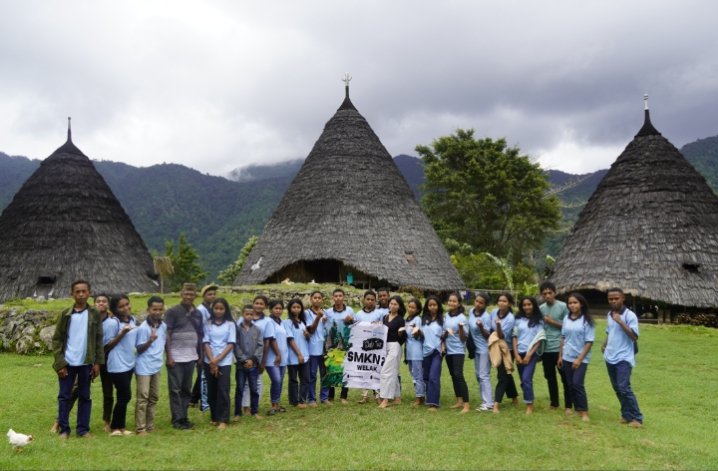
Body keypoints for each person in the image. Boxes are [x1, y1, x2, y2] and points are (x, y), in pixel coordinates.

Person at [50, 293, 112, 434]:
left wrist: (98, 362)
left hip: (97, 361)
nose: (101, 304)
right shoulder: (76, 316)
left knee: (98, 394)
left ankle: (99, 425)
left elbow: (101, 341)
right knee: (70, 393)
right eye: (98, 301)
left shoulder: (109, 320)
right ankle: (60, 424)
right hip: (77, 361)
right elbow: (59, 339)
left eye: (104, 301)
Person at [601, 288, 643, 428]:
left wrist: (620, 322)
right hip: (610, 356)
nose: (613, 301)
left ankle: (637, 418)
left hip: (624, 357)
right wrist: (605, 344)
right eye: (610, 299)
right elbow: (609, 331)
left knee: (624, 387)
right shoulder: (610, 314)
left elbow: (634, 336)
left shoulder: (630, 316)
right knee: (617, 388)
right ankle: (626, 415)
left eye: (616, 298)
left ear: (623, 298)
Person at [165, 283, 203, 430]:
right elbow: (167, 334)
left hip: (191, 356)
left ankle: (184, 417)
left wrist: (199, 355)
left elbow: (199, 335)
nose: (188, 297)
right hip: (176, 356)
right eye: (186, 294)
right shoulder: (172, 312)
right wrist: (169, 356)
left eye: (191, 294)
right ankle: (177, 419)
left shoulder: (197, 314)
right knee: (175, 389)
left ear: (195, 296)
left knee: (186, 389)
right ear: (181, 294)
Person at [104, 294, 138, 436]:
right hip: (117, 364)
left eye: (127, 304)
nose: (125, 308)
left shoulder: (133, 319)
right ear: (115, 309)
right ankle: (115, 427)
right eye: (121, 306)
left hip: (129, 363)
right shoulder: (113, 323)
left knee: (123, 396)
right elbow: (106, 346)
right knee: (125, 395)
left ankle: (120, 427)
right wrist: (122, 333)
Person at [558, 292, 594, 422]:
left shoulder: (587, 320)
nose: (572, 305)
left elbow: (589, 342)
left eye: (575, 302)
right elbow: (563, 338)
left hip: (581, 358)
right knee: (569, 384)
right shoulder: (566, 319)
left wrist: (579, 359)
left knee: (578, 383)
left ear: (581, 304)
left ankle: (583, 411)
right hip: (566, 356)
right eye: (570, 303)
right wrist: (560, 356)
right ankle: (572, 407)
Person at [134, 296, 167, 435]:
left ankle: (150, 424)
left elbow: (165, 343)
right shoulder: (143, 328)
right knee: (143, 397)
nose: (157, 312)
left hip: (156, 365)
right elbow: (138, 349)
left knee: (154, 397)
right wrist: (150, 340)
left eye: (160, 309)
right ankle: (140, 428)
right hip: (143, 366)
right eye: (154, 309)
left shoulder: (163, 326)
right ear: (148, 310)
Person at [202, 298, 236, 430]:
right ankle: (214, 416)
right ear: (212, 309)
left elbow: (231, 343)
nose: (218, 311)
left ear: (225, 310)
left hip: (225, 361)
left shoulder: (230, 324)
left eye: (221, 308)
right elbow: (205, 342)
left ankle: (224, 419)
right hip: (209, 361)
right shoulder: (207, 324)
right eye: (216, 308)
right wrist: (212, 361)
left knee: (223, 389)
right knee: (212, 389)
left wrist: (218, 360)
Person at [539, 281, 569, 411]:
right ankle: (554, 403)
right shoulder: (541, 309)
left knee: (565, 377)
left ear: (555, 293)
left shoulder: (563, 307)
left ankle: (568, 405)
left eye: (550, 293)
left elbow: (568, 327)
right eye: (544, 293)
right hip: (546, 348)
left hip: (560, 348)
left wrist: (552, 322)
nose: (547, 296)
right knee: (550, 377)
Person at [349, 290, 382, 403]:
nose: (370, 301)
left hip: (376, 346)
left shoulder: (379, 314)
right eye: (368, 299)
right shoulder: (358, 314)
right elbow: (355, 329)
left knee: (375, 369)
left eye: (372, 300)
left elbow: (383, 328)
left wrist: (377, 326)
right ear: (363, 300)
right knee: (364, 370)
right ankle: (364, 395)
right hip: (362, 346)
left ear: (375, 301)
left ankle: (378, 395)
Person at [513, 296, 545, 414]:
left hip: (531, 354)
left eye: (529, 304)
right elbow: (514, 337)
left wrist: (529, 355)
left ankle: (529, 405)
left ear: (533, 305)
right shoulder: (518, 319)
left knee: (526, 379)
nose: (527, 307)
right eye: (524, 305)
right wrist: (516, 354)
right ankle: (528, 395)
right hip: (519, 353)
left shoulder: (539, 321)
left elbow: (539, 340)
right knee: (523, 380)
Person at [234, 305, 264, 421]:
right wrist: (243, 359)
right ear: (243, 314)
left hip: (253, 364)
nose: (249, 316)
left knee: (254, 388)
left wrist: (252, 359)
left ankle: (254, 411)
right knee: (240, 388)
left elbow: (260, 345)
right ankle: (237, 413)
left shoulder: (257, 330)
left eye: (251, 314)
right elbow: (235, 345)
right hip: (241, 365)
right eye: (247, 314)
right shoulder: (237, 329)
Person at [324, 288, 354, 404]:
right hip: (332, 345)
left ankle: (343, 396)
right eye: (335, 296)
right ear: (333, 298)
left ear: (344, 297)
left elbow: (356, 326)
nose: (338, 298)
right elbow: (325, 327)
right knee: (331, 369)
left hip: (346, 344)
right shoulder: (328, 312)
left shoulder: (350, 310)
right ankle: (330, 396)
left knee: (346, 369)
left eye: (340, 296)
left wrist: (351, 320)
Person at [191, 284, 217, 411]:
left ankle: (193, 398)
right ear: (203, 296)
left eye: (214, 294)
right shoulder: (201, 310)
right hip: (201, 345)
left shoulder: (212, 309)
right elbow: (198, 330)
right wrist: (199, 351)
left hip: (210, 345)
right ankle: (203, 403)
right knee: (203, 375)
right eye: (209, 294)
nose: (212, 296)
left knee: (204, 373)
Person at [443, 292, 471, 414]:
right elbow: (443, 334)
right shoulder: (445, 316)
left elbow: (464, 338)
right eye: (450, 300)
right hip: (448, 350)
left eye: (454, 301)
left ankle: (466, 405)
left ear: (459, 303)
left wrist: (460, 328)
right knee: (453, 376)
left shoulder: (462, 318)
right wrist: (445, 333)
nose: (451, 303)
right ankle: (459, 401)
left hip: (458, 350)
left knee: (459, 375)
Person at [491, 292, 519, 413]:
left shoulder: (510, 318)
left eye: (505, 301)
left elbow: (502, 335)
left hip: (507, 350)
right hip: (496, 347)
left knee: (502, 376)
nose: (501, 303)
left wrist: (498, 325)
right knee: (506, 373)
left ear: (509, 304)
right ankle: (514, 397)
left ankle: (496, 403)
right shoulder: (493, 313)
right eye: (500, 301)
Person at [378, 296, 406, 408]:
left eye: (395, 304)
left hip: (395, 346)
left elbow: (403, 338)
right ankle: (397, 398)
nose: (392, 306)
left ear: (399, 306)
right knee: (393, 371)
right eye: (391, 303)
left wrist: (401, 334)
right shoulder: (385, 317)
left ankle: (385, 399)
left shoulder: (400, 319)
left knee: (386, 372)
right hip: (386, 346)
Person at [468, 292, 493, 412]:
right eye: (476, 301)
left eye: (481, 303)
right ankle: (485, 399)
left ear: (485, 305)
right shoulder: (471, 311)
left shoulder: (486, 317)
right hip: (476, 348)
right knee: (478, 375)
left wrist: (481, 326)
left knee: (484, 375)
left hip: (484, 349)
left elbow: (488, 335)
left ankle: (488, 403)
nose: (478, 304)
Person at [304, 291, 331, 406]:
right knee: (312, 374)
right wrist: (318, 318)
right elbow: (310, 330)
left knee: (325, 374)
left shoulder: (325, 313)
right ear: (311, 299)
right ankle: (311, 399)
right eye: (315, 298)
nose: (317, 300)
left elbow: (328, 330)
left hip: (325, 348)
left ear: (322, 299)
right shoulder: (306, 313)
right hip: (313, 348)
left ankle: (324, 397)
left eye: (319, 298)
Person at [419, 295, 444, 411]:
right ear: (427, 306)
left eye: (434, 305)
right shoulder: (423, 319)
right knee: (426, 377)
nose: (432, 307)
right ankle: (428, 399)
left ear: (438, 306)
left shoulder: (442, 320)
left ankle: (434, 403)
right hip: (425, 351)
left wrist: (443, 347)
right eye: (430, 305)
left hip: (436, 351)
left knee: (434, 376)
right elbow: (420, 335)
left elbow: (444, 336)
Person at [284, 299, 310, 408]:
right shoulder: (287, 322)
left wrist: (307, 335)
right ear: (290, 309)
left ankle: (302, 400)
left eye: (298, 307)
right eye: (294, 307)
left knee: (305, 379)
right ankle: (295, 402)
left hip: (305, 355)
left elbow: (305, 339)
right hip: (293, 356)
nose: (296, 309)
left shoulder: (302, 322)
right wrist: (299, 354)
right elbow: (290, 339)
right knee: (293, 380)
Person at [264, 300, 289, 415]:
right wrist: (278, 354)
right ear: (270, 309)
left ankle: (277, 404)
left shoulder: (282, 322)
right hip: (272, 358)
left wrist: (282, 355)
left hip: (283, 358)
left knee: (280, 381)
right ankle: (274, 404)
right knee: (276, 380)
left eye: (280, 308)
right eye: (276, 308)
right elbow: (271, 339)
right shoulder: (269, 322)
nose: (278, 311)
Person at [404, 298, 425, 406]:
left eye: (413, 308)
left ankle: (419, 397)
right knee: (413, 374)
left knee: (418, 374)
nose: (410, 309)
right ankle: (420, 395)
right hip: (409, 351)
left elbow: (419, 335)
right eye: (409, 307)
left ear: (417, 310)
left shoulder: (417, 319)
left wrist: (416, 331)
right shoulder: (407, 320)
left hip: (416, 350)